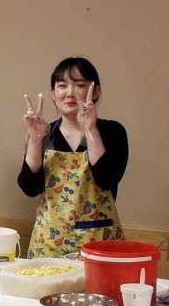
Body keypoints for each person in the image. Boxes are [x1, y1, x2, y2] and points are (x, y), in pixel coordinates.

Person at [18, 57, 128, 258]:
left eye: (79, 85)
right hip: (49, 243)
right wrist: (34, 140)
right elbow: (29, 188)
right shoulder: (44, 132)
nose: (69, 93)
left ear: (96, 91)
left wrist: (90, 130)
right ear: (53, 93)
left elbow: (107, 178)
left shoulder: (112, 131)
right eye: (62, 85)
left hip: (98, 242)